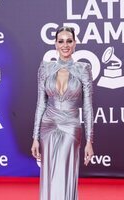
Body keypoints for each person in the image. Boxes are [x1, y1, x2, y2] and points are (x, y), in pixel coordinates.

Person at [31, 26, 94, 200]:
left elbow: (88, 106)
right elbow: (40, 103)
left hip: (71, 126)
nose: (65, 45)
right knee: (49, 174)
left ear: (75, 43)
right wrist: (35, 137)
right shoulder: (45, 68)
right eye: (61, 41)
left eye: (69, 41)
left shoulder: (83, 69)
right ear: (55, 44)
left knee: (63, 172)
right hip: (48, 125)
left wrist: (90, 141)